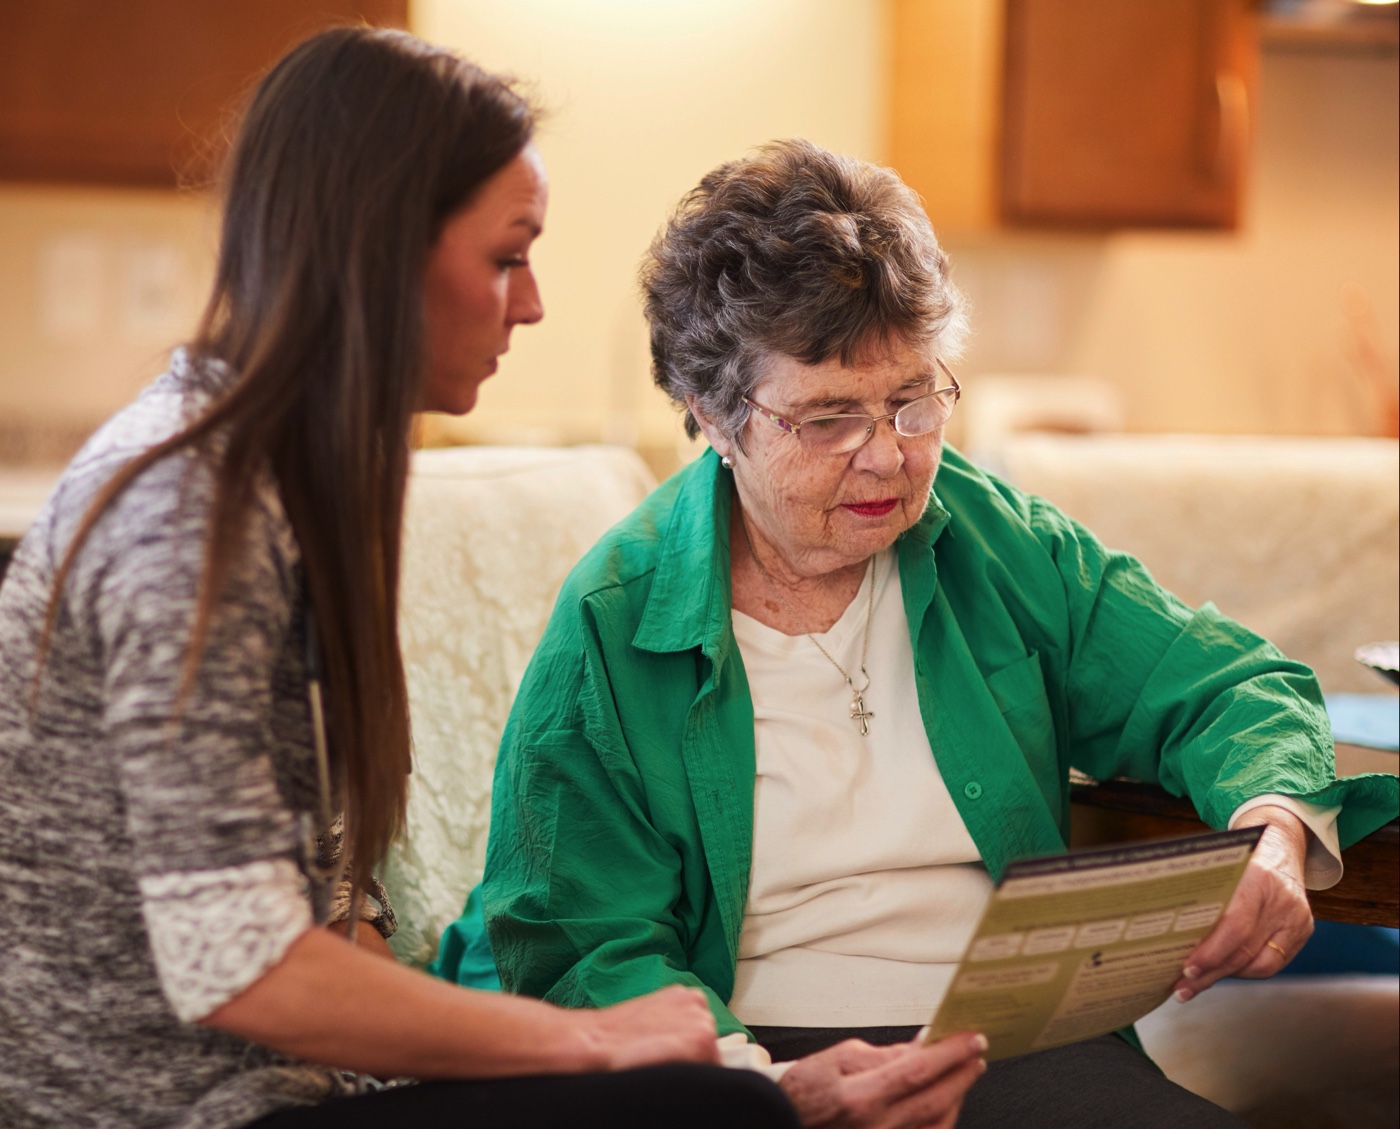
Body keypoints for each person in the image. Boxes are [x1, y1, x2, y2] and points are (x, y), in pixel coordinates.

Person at [0, 32, 988, 1129]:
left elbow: (330, 912)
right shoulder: (191, 517)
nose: (531, 305)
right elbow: (245, 967)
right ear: (376, 255)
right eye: (507, 256)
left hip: (283, 1089)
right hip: (161, 1111)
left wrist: (746, 1082)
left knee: (719, 1097)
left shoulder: (289, 485)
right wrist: (595, 1044)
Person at [475, 139, 1400, 1127]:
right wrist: (755, 1088)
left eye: (913, 400)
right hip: (748, 1055)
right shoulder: (614, 616)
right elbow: (577, 936)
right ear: (711, 411)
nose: (886, 455)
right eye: (828, 418)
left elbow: (1219, 682)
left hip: (1021, 1038)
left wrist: (1273, 826)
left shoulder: (985, 534)